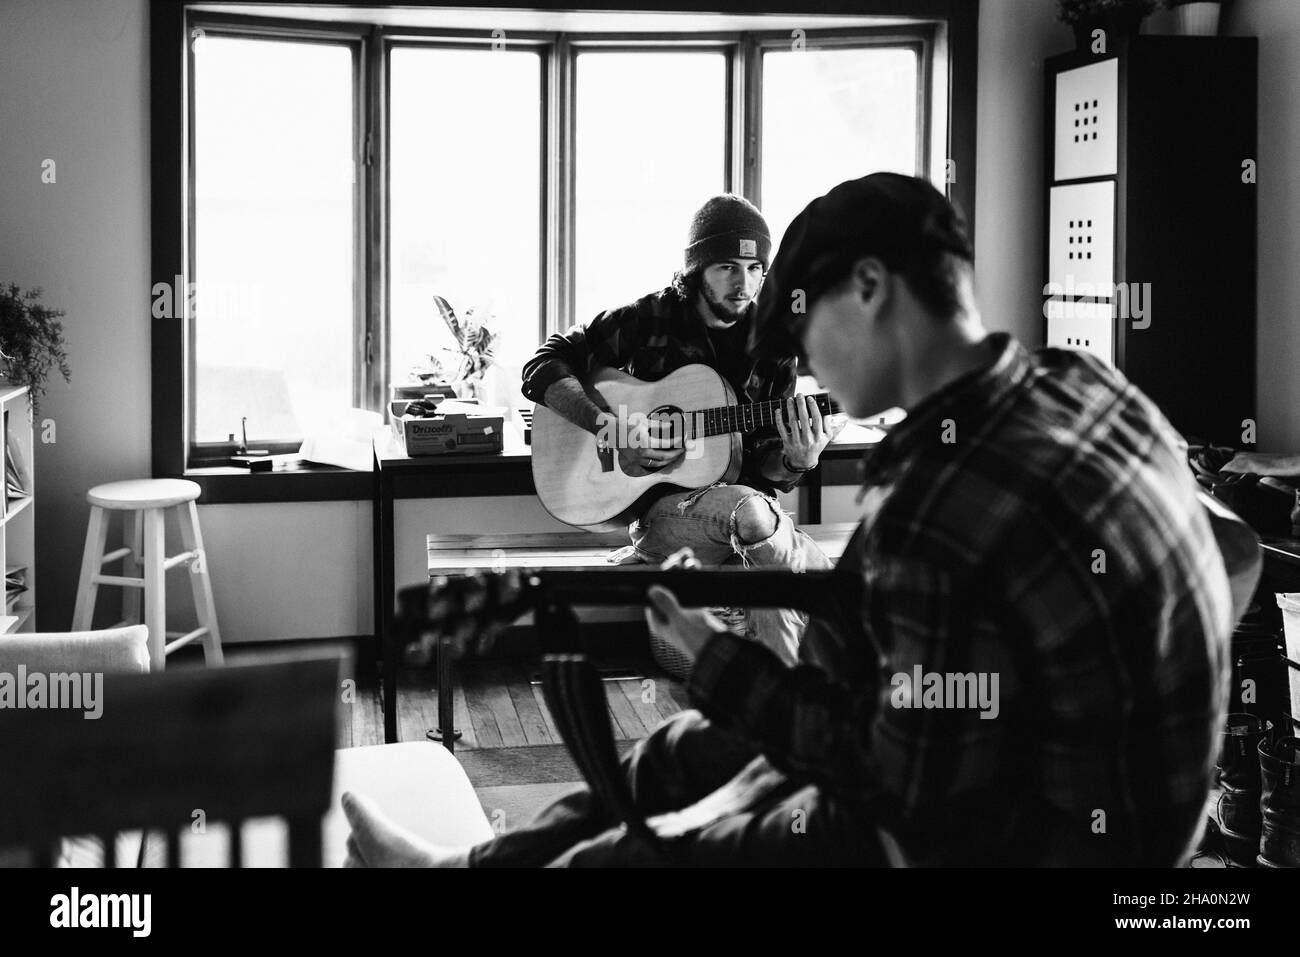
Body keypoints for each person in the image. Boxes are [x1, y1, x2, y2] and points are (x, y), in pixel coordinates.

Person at [344, 172, 1258, 868]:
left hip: (1009, 835)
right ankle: (469, 864)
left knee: (682, 840)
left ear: (870, 289)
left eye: (797, 325)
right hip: (1080, 786)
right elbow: (1232, 551)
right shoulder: (1088, 385)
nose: (793, 356)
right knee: (677, 749)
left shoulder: (935, 505)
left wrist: (716, 663)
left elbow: (886, 771)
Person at [519, 194, 838, 665]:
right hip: (661, 521)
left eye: (756, 269)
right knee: (752, 513)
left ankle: (783, 710)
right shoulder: (648, 318)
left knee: (761, 553)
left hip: (746, 528)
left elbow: (768, 470)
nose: (743, 283)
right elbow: (542, 364)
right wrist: (607, 425)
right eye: (727, 267)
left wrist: (798, 458)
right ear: (696, 268)